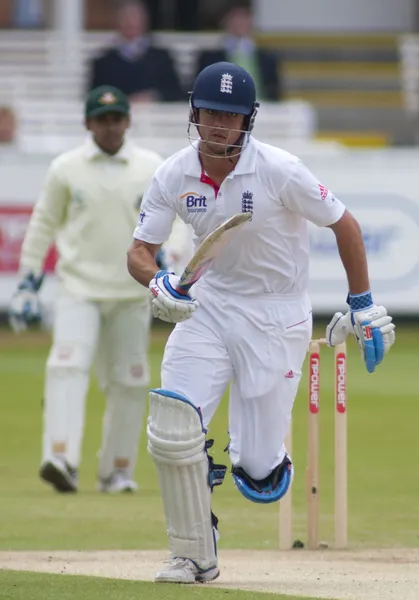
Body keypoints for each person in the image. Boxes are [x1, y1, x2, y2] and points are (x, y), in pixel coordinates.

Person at [127, 62, 396, 583]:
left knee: (258, 471)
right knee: (172, 429)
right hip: (208, 305)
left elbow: (345, 224)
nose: (220, 126)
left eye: (231, 116)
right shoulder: (174, 173)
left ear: (248, 120)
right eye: (211, 114)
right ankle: (194, 551)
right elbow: (140, 251)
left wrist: (361, 303)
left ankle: (252, 453)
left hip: (276, 313)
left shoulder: (280, 169)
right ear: (194, 114)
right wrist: (158, 283)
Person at [8, 85, 171, 494]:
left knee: (131, 381)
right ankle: (61, 458)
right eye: (102, 120)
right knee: (66, 367)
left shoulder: (152, 167)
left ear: (128, 122)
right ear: (88, 123)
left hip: (132, 292)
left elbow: (176, 221)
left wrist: (173, 265)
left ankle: (116, 470)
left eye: (117, 119)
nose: (111, 127)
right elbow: (44, 223)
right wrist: (29, 280)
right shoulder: (66, 168)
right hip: (78, 288)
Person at [87, 0, 183, 102]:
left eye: (135, 18)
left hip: (156, 115)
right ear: (117, 22)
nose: (130, 22)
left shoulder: (162, 58)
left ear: (145, 21)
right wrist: (122, 100)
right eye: (126, 18)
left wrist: (152, 97)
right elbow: (96, 96)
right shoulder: (104, 63)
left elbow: (175, 92)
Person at [196, 3, 281, 101]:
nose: (241, 22)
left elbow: (274, 92)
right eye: (236, 17)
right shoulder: (209, 58)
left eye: (245, 17)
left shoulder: (268, 59)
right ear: (225, 21)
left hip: (262, 109)